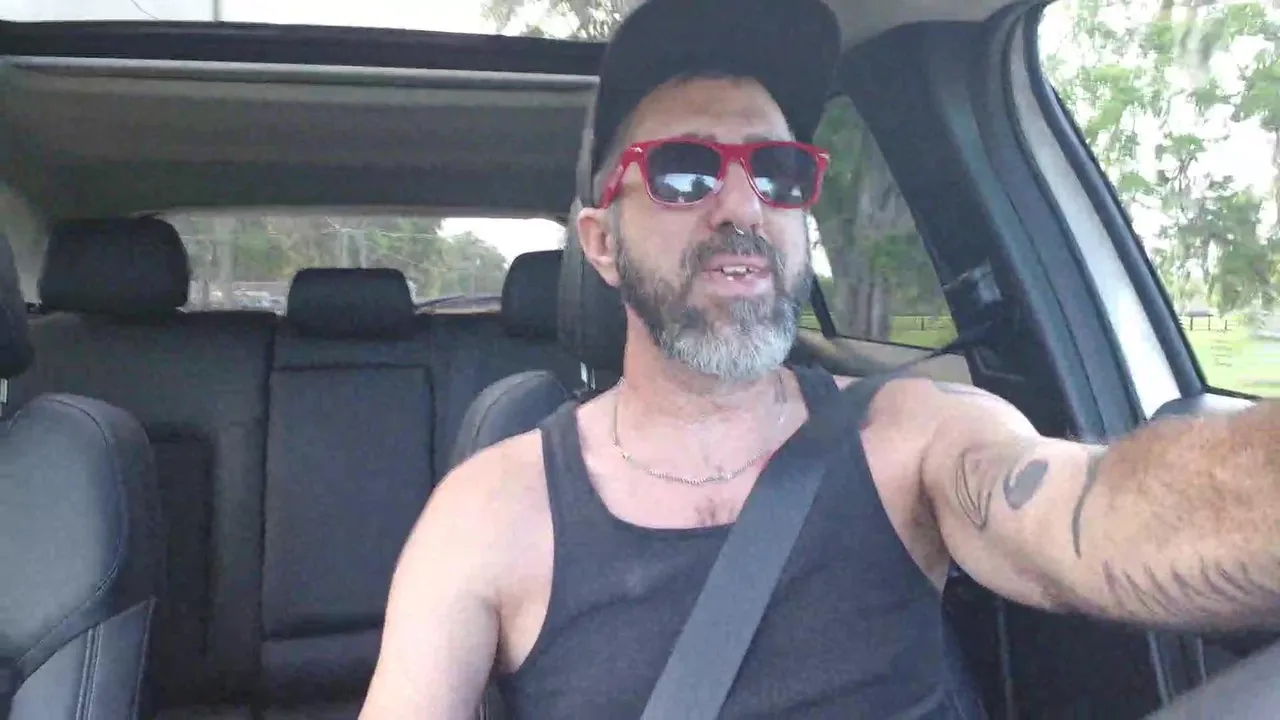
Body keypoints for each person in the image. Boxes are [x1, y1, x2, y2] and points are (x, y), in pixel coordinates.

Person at [360, 0, 1280, 717]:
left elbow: (1095, 514)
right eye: (683, 171)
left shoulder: (912, 435)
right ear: (601, 244)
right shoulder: (492, 510)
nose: (742, 207)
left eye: (779, 172)